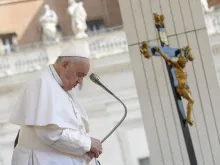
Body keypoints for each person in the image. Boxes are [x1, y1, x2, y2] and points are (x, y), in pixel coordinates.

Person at [9, 41, 102, 165]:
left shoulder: (61, 87)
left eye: (83, 77)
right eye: (79, 75)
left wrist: (85, 151)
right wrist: (87, 143)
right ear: (65, 64)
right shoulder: (42, 82)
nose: (80, 81)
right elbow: (51, 134)